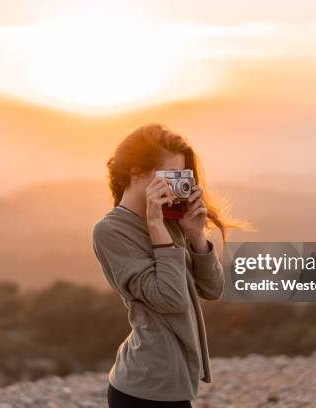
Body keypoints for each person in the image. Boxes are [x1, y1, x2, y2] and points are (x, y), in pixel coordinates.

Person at [92, 123, 239, 407]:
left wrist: (196, 236)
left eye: (182, 175)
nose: (177, 184)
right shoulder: (111, 231)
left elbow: (214, 289)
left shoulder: (172, 220)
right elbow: (170, 298)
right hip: (144, 388)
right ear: (136, 172)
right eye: (170, 175)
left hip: (170, 383)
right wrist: (157, 227)